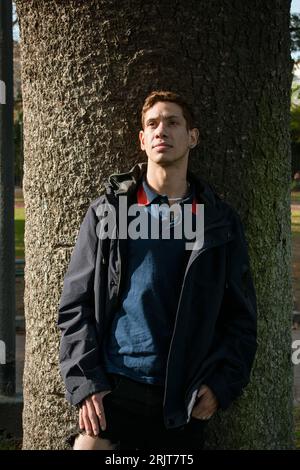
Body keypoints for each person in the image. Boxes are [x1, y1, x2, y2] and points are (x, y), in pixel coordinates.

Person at [57, 90, 257, 450]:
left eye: (172, 122)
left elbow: (241, 317)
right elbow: (75, 304)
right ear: (143, 140)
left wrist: (222, 385)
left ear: (192, 136)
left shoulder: (218, 222)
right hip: (117, 384)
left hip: (184, 393)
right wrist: (86, 383)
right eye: (152, 124)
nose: (161, 130)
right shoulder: (109, 212)